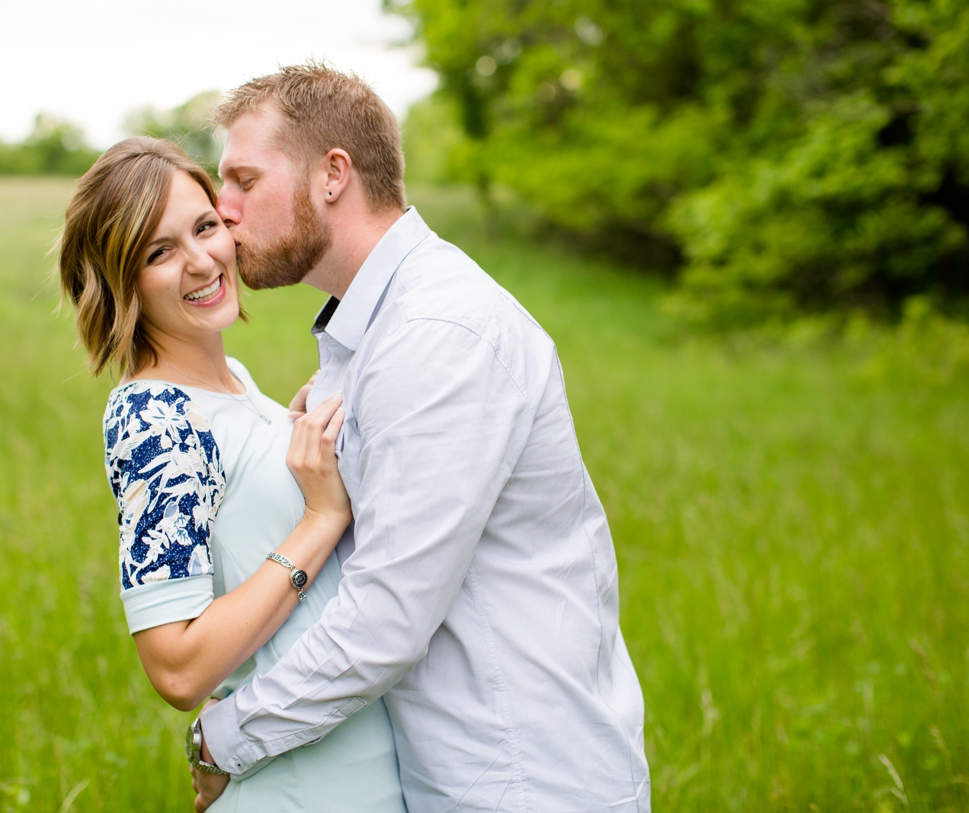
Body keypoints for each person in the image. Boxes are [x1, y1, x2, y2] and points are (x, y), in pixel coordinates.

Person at [193, 65, 651, 812]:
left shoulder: (439, 336)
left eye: (244, 178)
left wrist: (225, 739)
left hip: (523, 783)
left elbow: (387, 616)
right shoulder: (373, 330)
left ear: (333, 173)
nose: (224, 208)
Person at [58, 137, 406, 813]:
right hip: (301, 790)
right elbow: (177, 665)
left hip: (353, 767)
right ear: (119, 279)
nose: (201, 260)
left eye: (205, 226)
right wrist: (319, 520)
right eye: (158, 252)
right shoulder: (154, 417)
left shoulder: (232, 380)